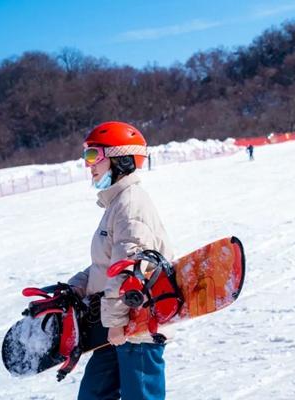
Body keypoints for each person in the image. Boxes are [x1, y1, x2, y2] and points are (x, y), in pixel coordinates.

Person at [69, 121, 174, 400]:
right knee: (93, 395)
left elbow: (128, 267)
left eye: (94, 156)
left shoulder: (131, 204)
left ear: (120, 160)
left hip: (137, 323)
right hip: (114, 324)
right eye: (86, 156)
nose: (88, 164)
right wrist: (74, 287)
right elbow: (106, 264)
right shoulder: (117, 203)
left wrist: (116, 322)